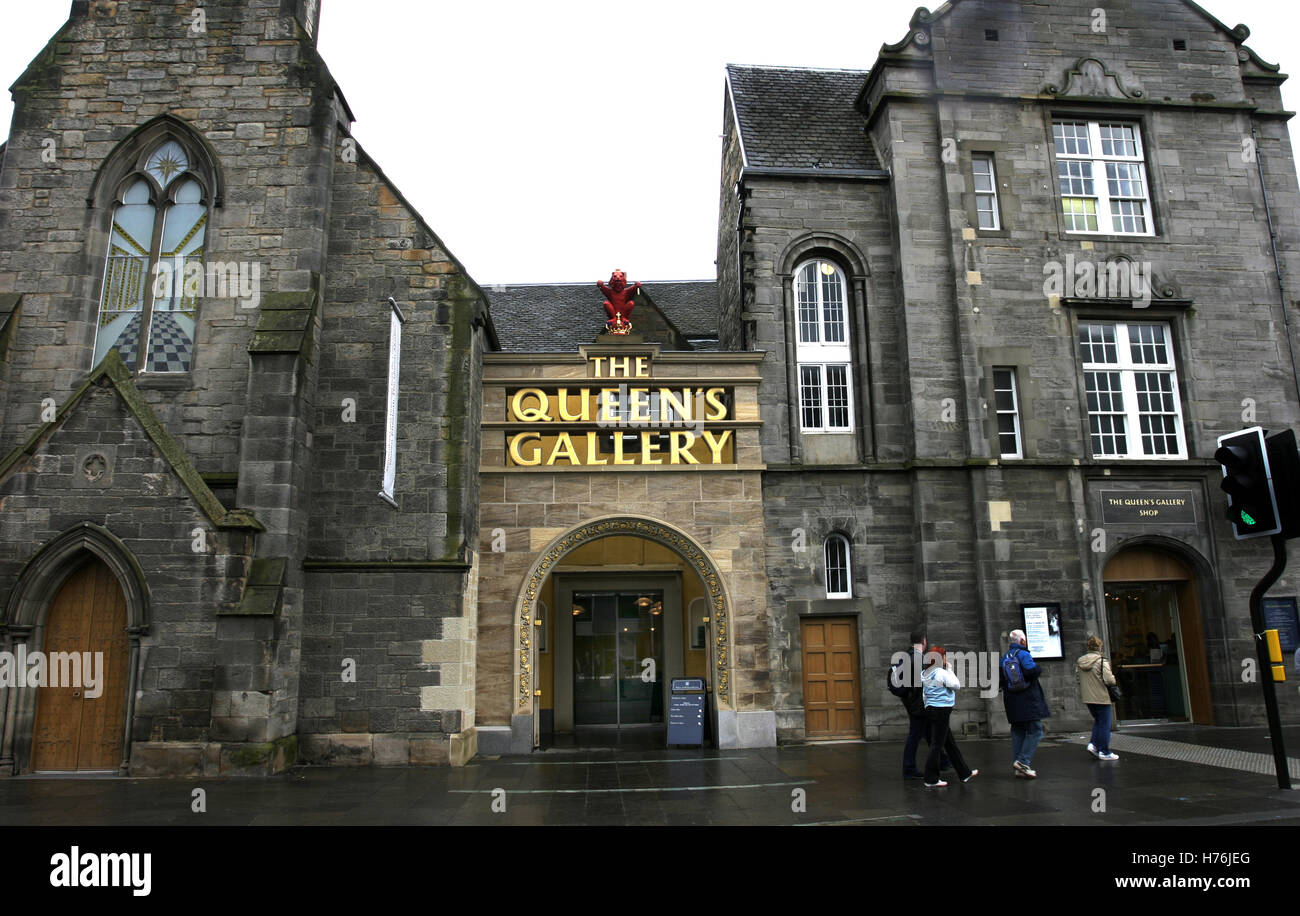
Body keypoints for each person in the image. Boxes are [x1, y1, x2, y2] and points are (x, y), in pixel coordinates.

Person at [893, 628, 948, 778]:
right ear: (924, 642)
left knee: (928, 732)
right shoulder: (919, 658)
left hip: (910, 700)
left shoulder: (904, 656)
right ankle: (909, 768)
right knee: (916, 735)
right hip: (919, 703)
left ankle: (943, 761)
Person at [920, 646, 977, 787]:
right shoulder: (940, 672)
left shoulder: (925, 673)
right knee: (937, 745)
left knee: (949, 743)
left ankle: (964, 773)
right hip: (942, 710)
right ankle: (930, 778)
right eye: (944, 656)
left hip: (932, 709)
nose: (946, 659)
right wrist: (950, 669)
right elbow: (956, 685)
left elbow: (924, 694)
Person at [1001, 629, 1050, 778]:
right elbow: (1031, 672)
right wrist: (1038, 668)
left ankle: (1019, 767)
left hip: (1012, 700)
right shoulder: (1024, 655)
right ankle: (1023, 761)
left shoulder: (1005, 657)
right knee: (1036, 730)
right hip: (1028, 699)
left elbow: (1002, 680)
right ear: (1022, 641)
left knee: (1018, 732)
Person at [1075, 635, 1119, 761]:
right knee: (1105, 723)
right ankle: (1104, 751)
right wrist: (1114, 679)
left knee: (1098, 721)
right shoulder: (1101, 661)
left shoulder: (1080, 661)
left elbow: (1078, 678)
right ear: (1099, 647)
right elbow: (1109, 680)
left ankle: (1093, 744)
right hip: (1101, 696)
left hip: (1088, 697)